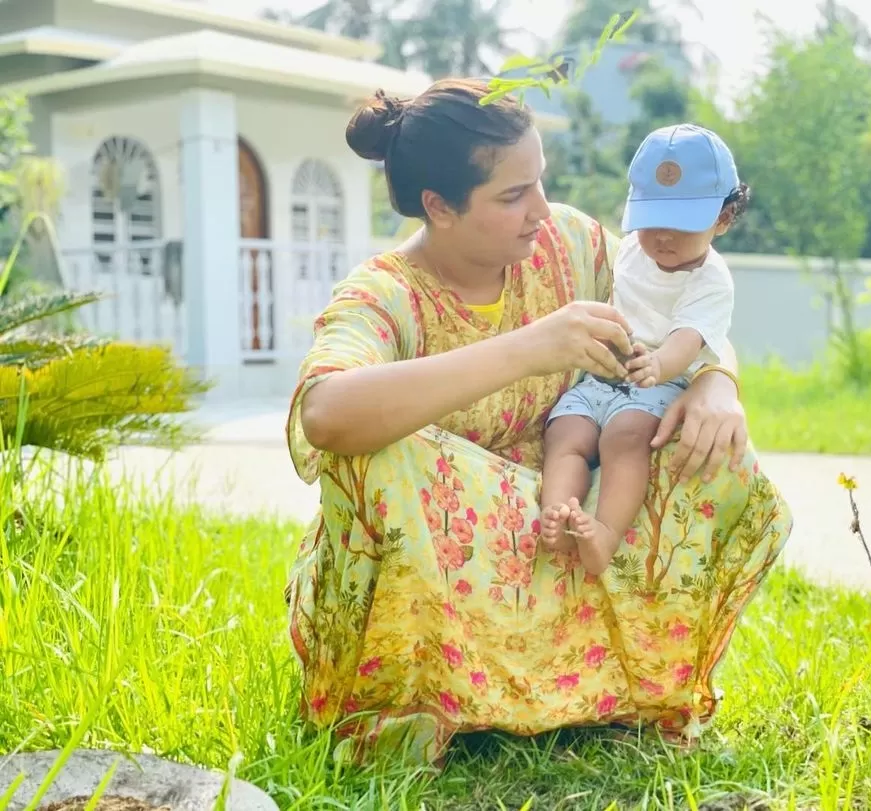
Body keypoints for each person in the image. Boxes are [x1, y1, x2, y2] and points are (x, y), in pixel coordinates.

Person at [286, 77, 793, 767]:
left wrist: (716, 381)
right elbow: (325, 412)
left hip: (562, 525)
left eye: (541, 183)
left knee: (691, 441)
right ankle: (415, 706)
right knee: (382, 451)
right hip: (446, 557)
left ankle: (628, 695)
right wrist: (527, 349)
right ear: (439, 206)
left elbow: (682, 296)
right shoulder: (385, 295)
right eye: (512, 195)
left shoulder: (570, 245)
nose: (541, 210)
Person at [540, 123, 749, 577]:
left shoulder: (710, 281)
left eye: (682, 225)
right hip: (600, 379)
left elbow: (687, 339)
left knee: (625, 438)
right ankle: (558, 514)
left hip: (660, 383)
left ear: (724, 219)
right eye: (652, 222)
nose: (663, 238)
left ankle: (604, 536)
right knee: (566, 435)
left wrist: (657, 364)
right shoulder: (632, 249)